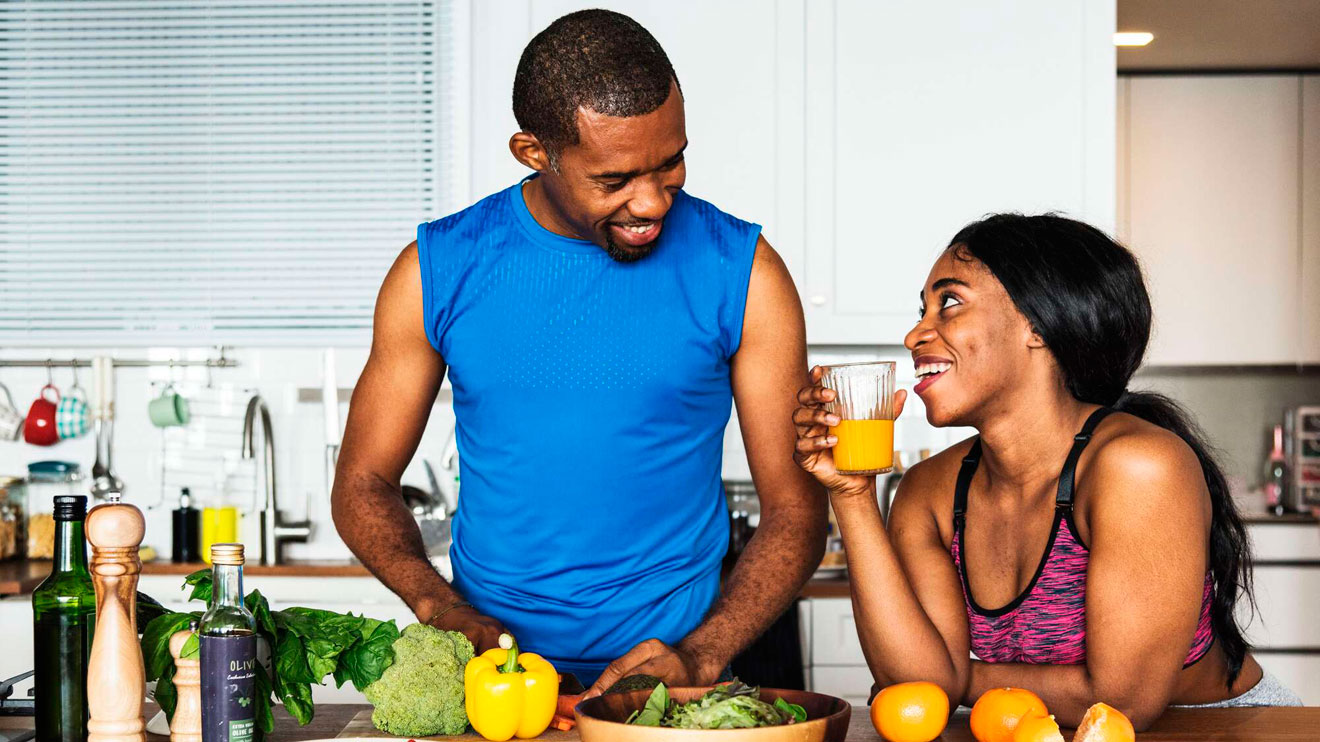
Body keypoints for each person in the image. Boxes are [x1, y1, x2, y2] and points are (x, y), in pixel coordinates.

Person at [332, 9, 824, 691]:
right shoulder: (437, 269)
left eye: (670, 163)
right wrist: (438, 606)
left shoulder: (744, 272)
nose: (652, 203)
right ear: (534, 153)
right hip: (496, 684)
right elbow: (362, 484)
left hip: (675, 684)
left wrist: (703, 653)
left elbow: (796, 512)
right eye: (614, 180)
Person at [793, 214, 1302, 729]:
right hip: (1034, 729)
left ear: (1037, 325)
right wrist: (851, 495)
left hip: (1220, 728)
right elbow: (918, 689)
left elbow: (1121, 704)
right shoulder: (930, 490)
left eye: (949, 302)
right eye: (922, 310)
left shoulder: (1139, 466)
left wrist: (958, 681)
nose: (914, 334)